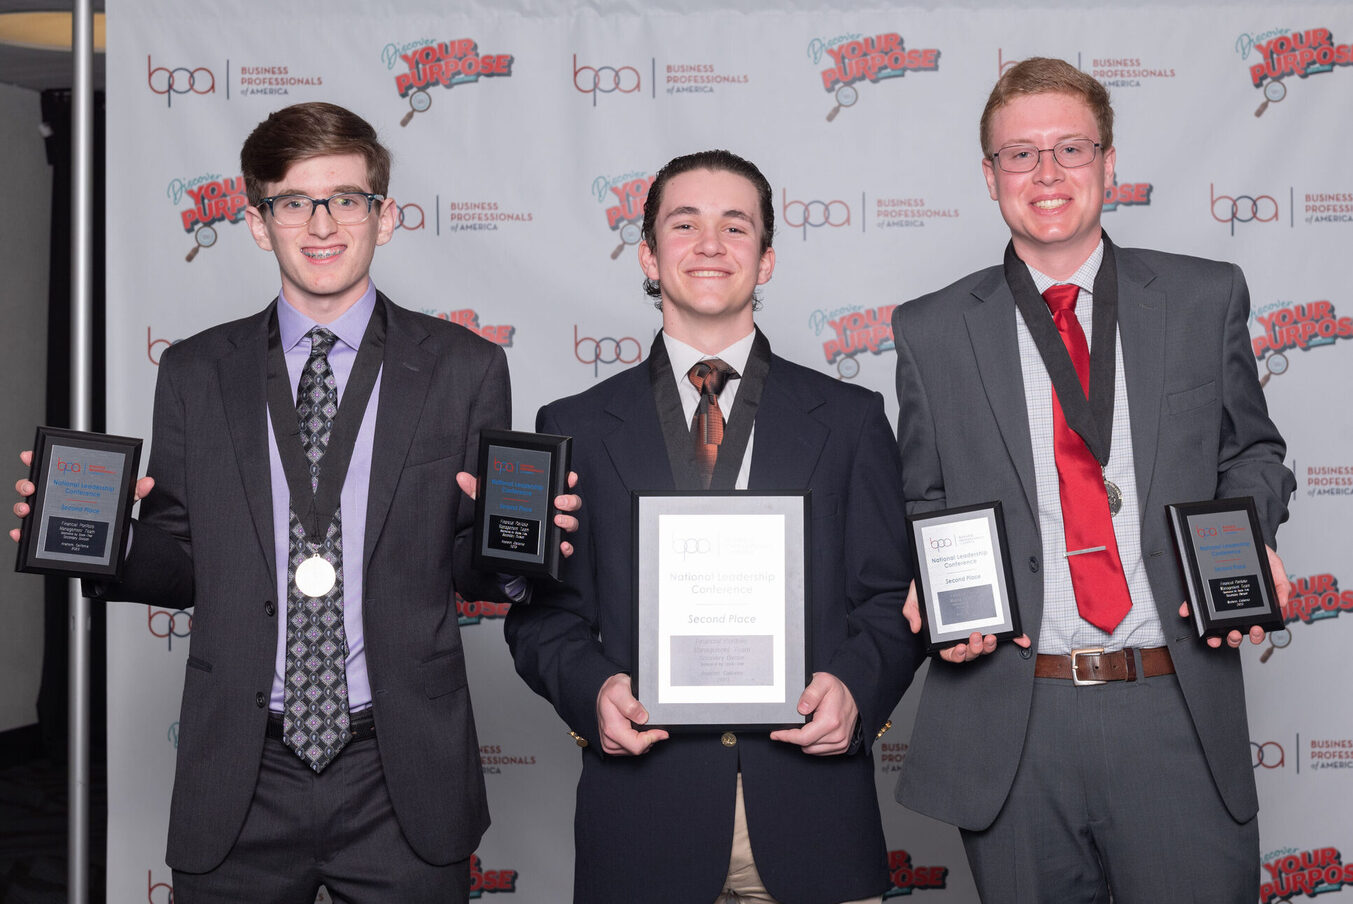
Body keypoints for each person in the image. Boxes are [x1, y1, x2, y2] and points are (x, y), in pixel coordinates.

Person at [11, 102, 577, 903]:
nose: (321, 224)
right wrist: (96, 537)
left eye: (346, 199)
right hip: (241, 767)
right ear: (256, 222)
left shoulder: (464, 367)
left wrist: (519, 541)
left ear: (384, 217)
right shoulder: (196, 371)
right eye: (292, 202)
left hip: (399, 765)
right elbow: (182, 561)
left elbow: (463, 557)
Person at [891, 58, 1295, 902]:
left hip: (1172, 705)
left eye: (1069, 149)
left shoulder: (1201, 296)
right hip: (1015, 717)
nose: (1045, 174)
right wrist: (930, 581)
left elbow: (1254, 455)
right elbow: (925, 497)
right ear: (989, 175)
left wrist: (1247, 537)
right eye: (1019, 154)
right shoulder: (930, 328)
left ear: (1109, 163)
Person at [503, 149, 921, 904]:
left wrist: (856, 690)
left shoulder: (852, 420)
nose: (709, 245)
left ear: (765, 261)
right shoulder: (572, 427)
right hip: (643, 824)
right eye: (684, 223)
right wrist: (592, 691)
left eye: (735, 226)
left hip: (813, 817)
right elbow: (542, 618)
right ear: (647, 255)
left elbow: (893, 598)